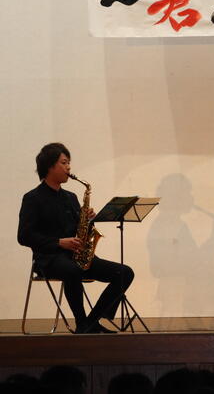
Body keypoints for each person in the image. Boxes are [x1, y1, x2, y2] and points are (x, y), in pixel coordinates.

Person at [17, 143, 134, 334]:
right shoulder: (33, 198)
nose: (69, 167)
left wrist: (88, 221)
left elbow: (82, 232)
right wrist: (59, 242)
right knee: (73, 271)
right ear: (50, 166)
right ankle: (82, 323)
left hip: (76, 256)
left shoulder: (70, 197)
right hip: (49, 258)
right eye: (64, 163)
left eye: (69, 162)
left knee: (125, 273)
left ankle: (91, 322)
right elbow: (24, 236)